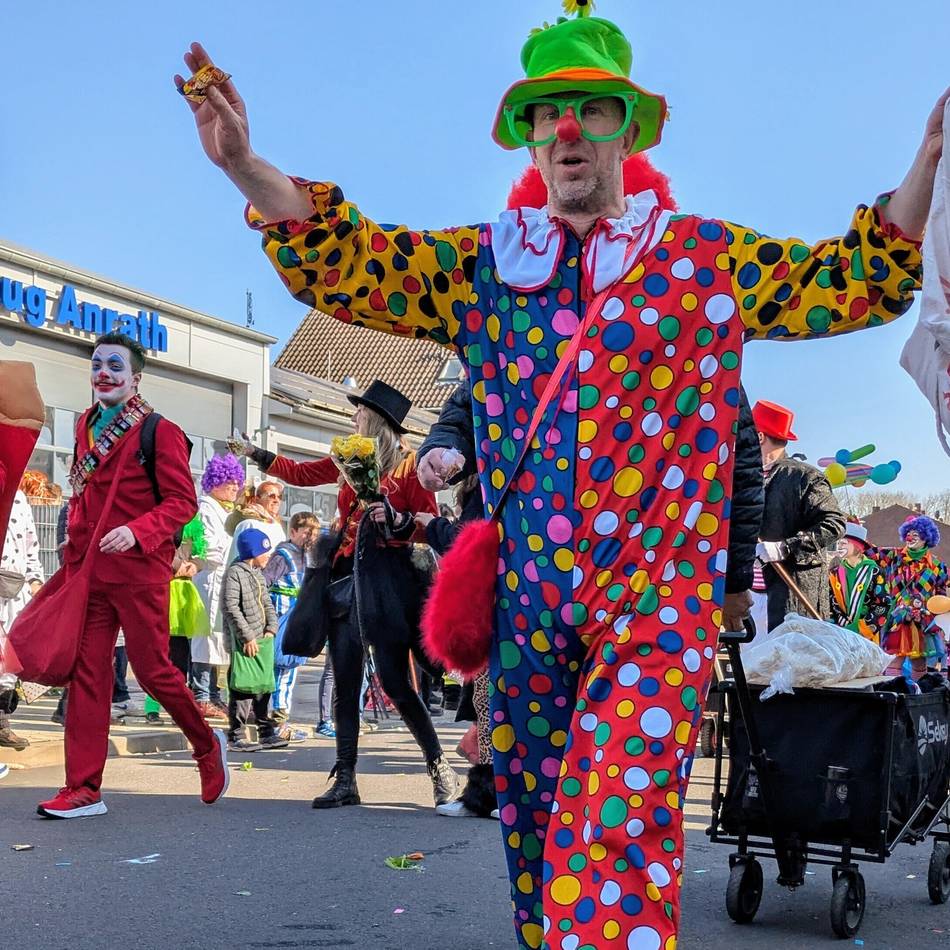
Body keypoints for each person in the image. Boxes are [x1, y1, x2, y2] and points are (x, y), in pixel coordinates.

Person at [179, 4, 936, 942]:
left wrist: (925, 171)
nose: (568, 130)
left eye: (591, 109)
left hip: (655, 601)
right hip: (529, 603)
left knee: (615, 826)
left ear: (629, 128)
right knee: (536, 846)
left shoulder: (702, 260)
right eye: (548, 113)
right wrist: (245, 169)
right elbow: (358, 264)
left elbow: (850, 277)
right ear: (530, 140)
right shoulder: (487, 267)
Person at [14, 332, 228, 819]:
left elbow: (181, 503)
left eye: (114, 366)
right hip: (89, 571)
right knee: (88, 677)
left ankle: (205, 746)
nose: (103, 373)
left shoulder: (160, 431)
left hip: (138, 572)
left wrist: (137, 532)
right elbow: (83, 497)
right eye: (97, 365)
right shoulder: (85, 426)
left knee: (154, 673)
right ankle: (83, 788)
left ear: (135, 378)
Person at [231, 380, 457, 808]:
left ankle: (438, 766)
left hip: (388, 584)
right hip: (344, 581)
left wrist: (393, 516)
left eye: (358, 414)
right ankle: (346, 777)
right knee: (346, 678)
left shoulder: (412, 467)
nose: (353, 419)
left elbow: (425, 521)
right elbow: (300, 473)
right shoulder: (350, 458)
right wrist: (256, 455)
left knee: (395, 680)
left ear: (375, 420)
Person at [753, 400, 845, 633]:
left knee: (792, 662)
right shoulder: (744, 478)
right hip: (746, 595)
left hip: (790, 591)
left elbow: (834, 523)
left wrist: (786, 547)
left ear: (760, 436)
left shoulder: (804, 477)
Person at [222, 527, 288, 752]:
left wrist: (272, 626)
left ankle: (266, 732)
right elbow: (231, 607)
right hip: (244, 643)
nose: (268, 556)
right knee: (242, 689)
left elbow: (267, 603)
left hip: (263, 641)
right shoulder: (235, 573)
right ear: (252, 551)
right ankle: (236, 735)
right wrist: (247, 637)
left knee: (263, 688)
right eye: (265, 551)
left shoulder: (258, 574)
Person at [191, 453, 244, 721]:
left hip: (225, 579)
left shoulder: (229, 511)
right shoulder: (205, 507)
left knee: (219, 641)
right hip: (210, 578)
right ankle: (201, 694)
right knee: (205, 637)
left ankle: (214, 693)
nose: (235, 486)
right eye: (230, 481)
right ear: (216, 481)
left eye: (237, 482)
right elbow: (206, 546)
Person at [871, 515, 949, 672]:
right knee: (892, 660)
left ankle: (917, 694)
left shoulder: (937, 566)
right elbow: (868, 552)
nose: (910, 537)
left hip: (922, 620)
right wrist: (854, 533)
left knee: (919, 664)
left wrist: (940, 623)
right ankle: (893, 693)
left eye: (915, 534)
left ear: (926, 537)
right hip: (897, 618)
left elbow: (940, 598)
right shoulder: (893, 556)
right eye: (908, 533)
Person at [265, 510, 319, 721]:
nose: (310, 538)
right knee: (277, 664)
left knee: (290, 665)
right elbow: (265, 581)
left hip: (298, 618)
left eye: (313, 534)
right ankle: (272, 710)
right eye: (306, 533)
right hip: (281, 616)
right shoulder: (284, 555)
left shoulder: (308, 556)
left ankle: (281, 710)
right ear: (293, 531)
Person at [0, 488, 43, 749]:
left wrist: (35, 579)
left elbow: (30, 542)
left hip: (15, 586)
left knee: (10, 664)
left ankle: (2, 724)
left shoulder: (19, 496)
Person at [828, 520, 888, 643]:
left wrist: (865, 628)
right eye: (839, 543)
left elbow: (883, 603)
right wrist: (834, 625)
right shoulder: (835, 573)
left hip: (865, 636)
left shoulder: (874, 571)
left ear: (857, 546)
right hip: (840, 634)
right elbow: (831, 603)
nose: (840, 546)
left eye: (844, 543)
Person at [227, 480, 287, 557]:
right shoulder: (249, 524)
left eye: (279, 497)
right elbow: (237, 557)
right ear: (256, 499)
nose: (277, 500)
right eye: (271, 496)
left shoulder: (277, 526)